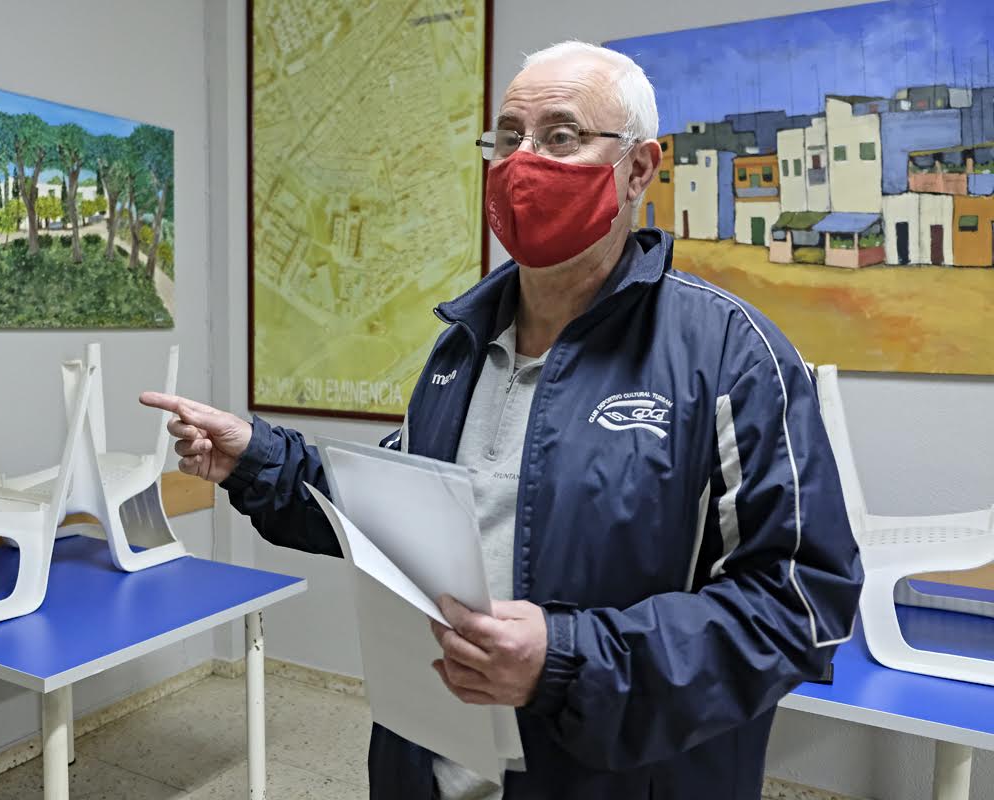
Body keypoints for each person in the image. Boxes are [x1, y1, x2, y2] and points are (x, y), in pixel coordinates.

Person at [141, 40, 863, 800]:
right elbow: (395, 511)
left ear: (640, 168)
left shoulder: (729, 355)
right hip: (433, 764)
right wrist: (258, 457)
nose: (524, 162)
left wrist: (567, 657)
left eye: (561, 136)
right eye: (508, 136)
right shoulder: (461, 348)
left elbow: (798, 606)